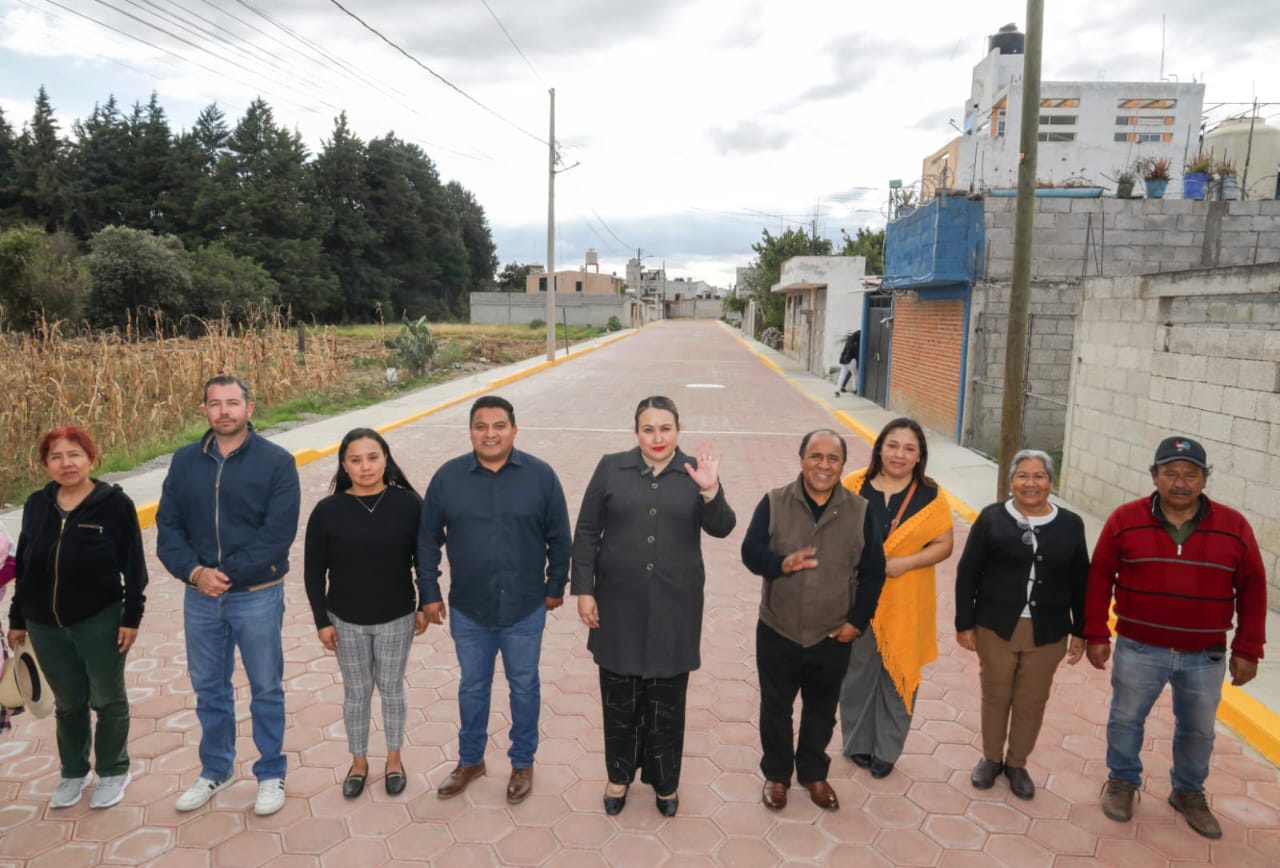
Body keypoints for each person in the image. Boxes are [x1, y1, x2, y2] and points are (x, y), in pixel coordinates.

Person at [1086, 436, 1267, 840]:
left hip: (1205, 655)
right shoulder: (1124, 519)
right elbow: (1099, 577)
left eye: (1191, 474)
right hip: (1138, 647)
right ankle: (1123, 781)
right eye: (1171, 473)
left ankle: (1187, 792)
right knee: (1126, 718)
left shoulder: (1234, 525)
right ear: (1155, 476)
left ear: (1204, 479)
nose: (1180, 482)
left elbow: (1253, 588)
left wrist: (1248, 648)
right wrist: (1096, 632)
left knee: (1198, 730)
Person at [572, 396, 735, 817]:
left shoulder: (693, 473)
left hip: (674, 606)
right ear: (636, 432)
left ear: (678, 431)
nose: (657, 437)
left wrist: (711, 490)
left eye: (665, 428)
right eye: (648, 429)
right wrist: (584, 589)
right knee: (619, 699)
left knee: (667, 701)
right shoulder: (612, 467)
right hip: (618, 604)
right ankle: (618, 776)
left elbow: (722, 527)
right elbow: (588, 530)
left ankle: (666, 783)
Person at [157, 375, 301, 817]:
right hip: (200, 597)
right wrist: (196, 573)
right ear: (203, 410)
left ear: (249, 408)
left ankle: (271, 772)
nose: (224, 411)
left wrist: (225, 575)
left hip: (255, 594)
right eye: (215, 403)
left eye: (233, 402)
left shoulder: (277, 462)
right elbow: (168, 529)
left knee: (265, 687)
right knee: (210, 689)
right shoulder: (184, 463)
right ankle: (216, 769)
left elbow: (277, 535)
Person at [419, 395, 571, 805]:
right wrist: (429, 592)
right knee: (472, 686)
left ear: (514, 430)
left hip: (525, 606)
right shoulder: (448, 478)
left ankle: (522, 762)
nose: (490, 434)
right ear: (470, 431)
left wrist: (555, 586)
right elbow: (428, 539)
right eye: (481, 426)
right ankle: (471, 761)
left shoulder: (540, 476)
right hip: (470, 607)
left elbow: (560, 535)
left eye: (499, 425)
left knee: (524, 687)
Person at [742, 429, 885, 811]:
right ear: (801, 459)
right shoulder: (773, 503)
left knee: (822, 708)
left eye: (832, 458)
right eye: (815, 456)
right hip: (778, 627)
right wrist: (779, 564)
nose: (823, 465)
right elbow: (751, 553)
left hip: (832, 633)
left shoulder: (860, 511)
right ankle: (776, 775)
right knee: (776, 707)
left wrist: (857, 622)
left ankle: (813, 774)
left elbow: (874, 571)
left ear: (842, 464)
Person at [5, 426, 147, 809]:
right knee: (68, 702)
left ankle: (114, 770)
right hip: (44, 625)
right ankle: (73, 772)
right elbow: (26, 565)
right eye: (56, 456)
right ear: (45, 464)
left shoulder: (114, 504)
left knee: (106, 697)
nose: (66, 463)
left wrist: (131, 616)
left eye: (74, 455)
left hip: (98, 619)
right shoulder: (37, 505)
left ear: (91, 459)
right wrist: (17, 618)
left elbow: (134, 567)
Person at [955, 450, 1089, 799]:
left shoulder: (1071, 524)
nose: (1031, 483)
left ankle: (1016, 763)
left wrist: (1082, 629)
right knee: (996, 694)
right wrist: (964, 623)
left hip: (1048, 630)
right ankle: (991, 758)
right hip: (996, 625)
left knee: (1032, 699)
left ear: (1051, 482)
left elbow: (1081, 580)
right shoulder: (992, 518)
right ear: (1011, 481)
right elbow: (967, 573)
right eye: (1023, 476)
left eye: (1039, 476)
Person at [304, 428, 427, 799]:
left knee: (391, 689)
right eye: (355, 460)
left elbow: (425, 561)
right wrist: (321, 621)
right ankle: (358, 762)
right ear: (344, 465)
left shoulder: (409, 504)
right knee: (356, 692)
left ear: (386, 458)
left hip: (397, 617)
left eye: (373, 457)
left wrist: (424, 605)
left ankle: (393, 759)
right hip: (345, 619)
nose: (365, 466)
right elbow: (313, 572)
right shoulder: (327, 511)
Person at [839, 418, 954, 779]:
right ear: (879, 448)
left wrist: (904, 563)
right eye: (892, 445)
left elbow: (944, 545)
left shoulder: (931, 495)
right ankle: (857, 743)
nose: (899, 455)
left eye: (909, 448)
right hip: (858, 600)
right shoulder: (853, 485)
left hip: (906, 601)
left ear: (920, 455)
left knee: (897, 672)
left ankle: (887, 749)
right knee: (855, 675)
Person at [834, 330, 861, 396]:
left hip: (844, 361)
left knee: (842, 375)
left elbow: (844, 351)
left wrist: (842, 358)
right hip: (852, 361)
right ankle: (855, 389)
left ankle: (837, 390)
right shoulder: (857, 345)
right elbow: (857, 355)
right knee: (855, 375)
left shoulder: (848, 342)